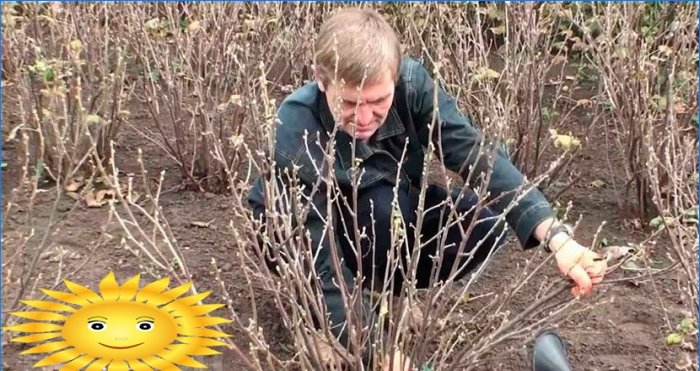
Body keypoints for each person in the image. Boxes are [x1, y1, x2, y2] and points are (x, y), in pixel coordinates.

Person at [248, 7, 607, 369]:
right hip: (305, 238)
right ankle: (318, 321)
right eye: (350, 103)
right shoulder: (296, 128)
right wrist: (380, 353)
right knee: (380, 209)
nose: (364, 118)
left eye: (378, 102)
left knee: (484, 221)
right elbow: (317, 260)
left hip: (381, 216)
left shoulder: (412, 85)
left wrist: (557, 238)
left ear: (395, 78)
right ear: (322, 81)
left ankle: (380, 294)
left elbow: (476, 156)